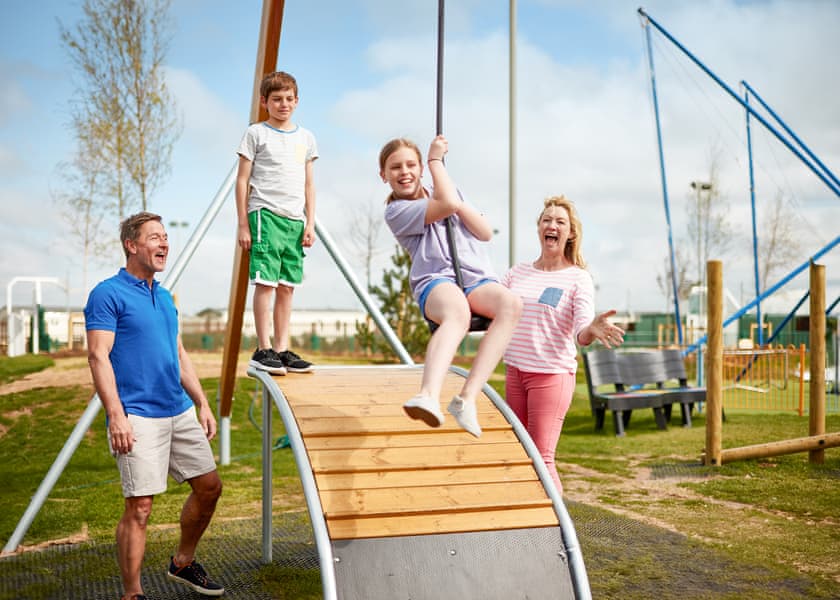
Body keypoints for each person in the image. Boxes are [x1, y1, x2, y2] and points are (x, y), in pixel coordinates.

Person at [85, 212, 224, 600]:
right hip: (137, 415)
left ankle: (182, 562)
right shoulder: (107, 293)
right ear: (131, 245)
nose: (164, 244)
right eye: (154, 238)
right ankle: (133, 594)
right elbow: (98, 356)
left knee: (210, 487)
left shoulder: (165, 296)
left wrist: (202, 402)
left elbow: (178, 354)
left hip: (177, 410)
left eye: (165, 237)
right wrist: (116, 416)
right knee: (140, 506)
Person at [380, 135, 522, 437]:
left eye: (411, 164)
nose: (404, 172)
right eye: (395, 167)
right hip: (437, 279)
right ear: (384, 176)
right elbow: (446, 204)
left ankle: (467, 398)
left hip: (475, 278)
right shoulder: (396, 211)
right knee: (458, 312)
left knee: (511, 304)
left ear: (419, 169)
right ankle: (428, 395)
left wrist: (453, 196)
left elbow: (484, 231)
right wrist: (435, 162)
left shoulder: (449, 189)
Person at [502, 195, 625, 494]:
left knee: (542, 459)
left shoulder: (577, 278)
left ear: (570, 233)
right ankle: (528, 521)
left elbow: (581, 331)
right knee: (519, 455)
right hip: (515, 372)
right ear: (539, 228)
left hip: (550, 376)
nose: (552, 225)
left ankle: (559, 533)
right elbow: (489, 303)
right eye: (547, 219)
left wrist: (592, 329)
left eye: (560, 221)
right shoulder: (517, 273)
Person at [236, 70, 318, 375]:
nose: (283, 104)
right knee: (266, 283)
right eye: (276, 99)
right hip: (265, 215)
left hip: (294, 221)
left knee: (287, 286)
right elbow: (242, 180)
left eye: (288, 99)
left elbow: (309, 184)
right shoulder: (256, 133)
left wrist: (309, 223)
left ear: (296, 101)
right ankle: (264, 347)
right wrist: (243, 224)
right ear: (264, 102)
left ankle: (283, 350)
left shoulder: (306, 138)